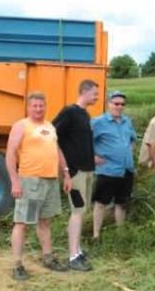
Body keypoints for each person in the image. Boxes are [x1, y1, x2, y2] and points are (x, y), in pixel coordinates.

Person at [6, 92, 72, 281]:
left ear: (45, 106)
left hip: (50, 181)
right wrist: (15, 181)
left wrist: (66, 173)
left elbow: (56, 150)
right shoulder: (21, 126)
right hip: (30, 182)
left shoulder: (50, 126)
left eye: (41, 106)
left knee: (45, 221)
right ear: (28, 107)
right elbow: (10, 154)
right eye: (34, 106)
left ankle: (48, 258)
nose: (38, 109)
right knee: (23, 223)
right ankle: (17, 265)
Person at [52, 79, 99, 272]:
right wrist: (65, 170)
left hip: (87, 170)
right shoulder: (70, 112)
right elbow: (52, 136)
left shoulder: (85, 115)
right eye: (95, 94)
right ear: (85, 92)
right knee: (77, 211)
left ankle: (77, 250)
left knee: (82, 211)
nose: (97, 97)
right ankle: (73, 257)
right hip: (75, 171)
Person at [91, 91, 136, 239]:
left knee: (121, 203)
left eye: (122, 104)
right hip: (107, 170)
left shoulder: (127, 121)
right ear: (108, 104)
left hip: (126, 169)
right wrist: (93, 156)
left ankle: (120, 235)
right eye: (116, 104)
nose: (119, 107)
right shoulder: (98, 122)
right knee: (100, 203)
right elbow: (84, 141)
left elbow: (132, 139)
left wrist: (128, 151)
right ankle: (96, 235)